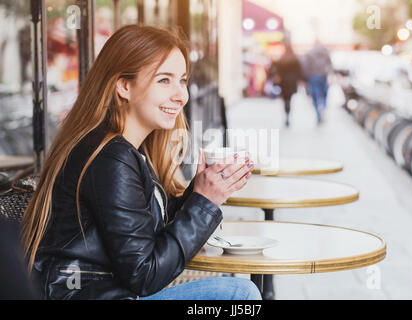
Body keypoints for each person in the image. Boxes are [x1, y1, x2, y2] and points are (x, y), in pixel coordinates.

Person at [19, 25, 261, 300]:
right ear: (124, 86)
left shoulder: (120, 149)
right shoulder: (111, 158)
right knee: (238, 295)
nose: (181, 95)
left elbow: (138, 232)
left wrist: (201, 192)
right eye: (164, 80)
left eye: (182, 80)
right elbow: (145, 275)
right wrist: (203, 203)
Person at [268, 41, 303, 127]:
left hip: (284, 82)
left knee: (285, 99)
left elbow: (277, 71)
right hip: (292, 82)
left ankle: (286, 113)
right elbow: (299, 71)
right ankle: (288, 111)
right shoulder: (295, 59)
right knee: (289, 99)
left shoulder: (282, 59)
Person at [304, 40, 332, 124]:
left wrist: (306, 78)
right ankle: (323, 107)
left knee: (315, 95)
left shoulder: (310, 53)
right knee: (324, 94)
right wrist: (330, 74)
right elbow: (330, 64)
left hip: (313, 77)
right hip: (323, 76)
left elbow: (306, 67)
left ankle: (318, 112)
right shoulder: (325, 52)